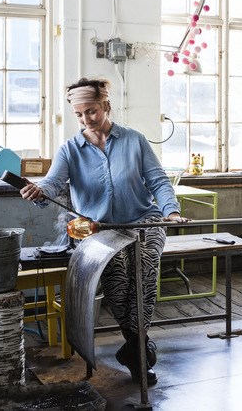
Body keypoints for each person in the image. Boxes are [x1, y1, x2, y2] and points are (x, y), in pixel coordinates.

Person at [19, 77, 185, 385]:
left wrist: (171, 212)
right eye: (79, 114)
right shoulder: (70, 150)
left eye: (91, 111)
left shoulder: (134, 140)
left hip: (143, 220)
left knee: (145, 269)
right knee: (118, 277)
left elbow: (159, 181)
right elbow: (52, 185)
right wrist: (38, 191)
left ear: (106, 105)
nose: (86, 119)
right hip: (97, 227)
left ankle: (135, 352)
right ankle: (139, 347)